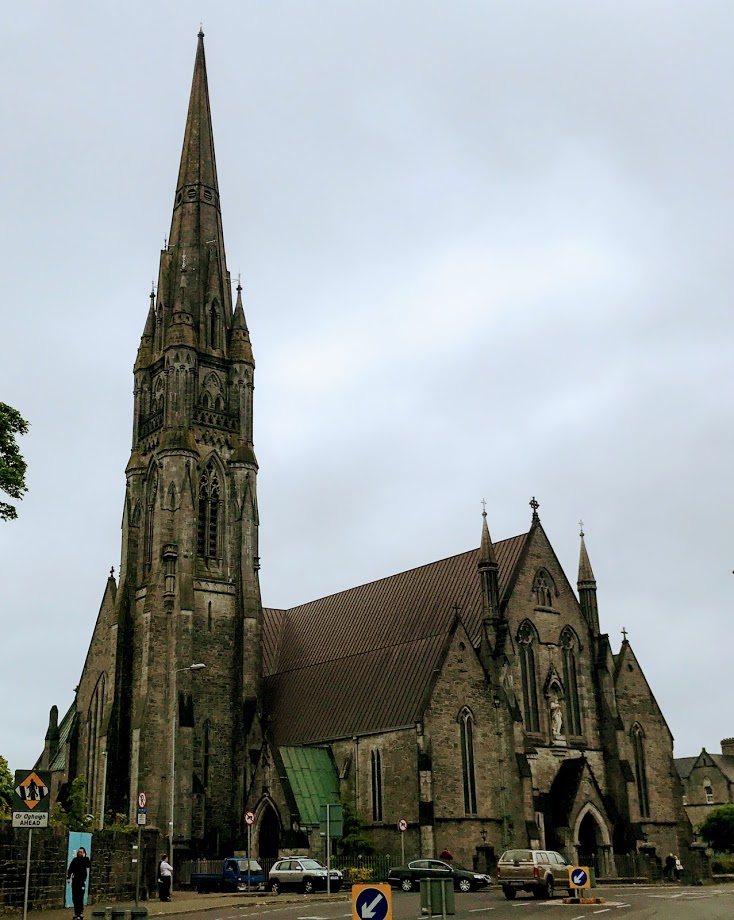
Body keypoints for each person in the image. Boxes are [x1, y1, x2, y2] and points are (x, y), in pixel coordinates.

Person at [66, 846, 91, 920]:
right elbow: (70, 869)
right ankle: (76, 913)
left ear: (84, 853)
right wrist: (68, 877)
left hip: (81, 882)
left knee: (80, 897)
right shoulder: (75, 860)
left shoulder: (85, 860)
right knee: (75, 898)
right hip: (75, 881)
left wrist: (84, 857)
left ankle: (80, 913)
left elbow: (88, 865)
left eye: (81, 852)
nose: (79, 853)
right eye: (79, 852)